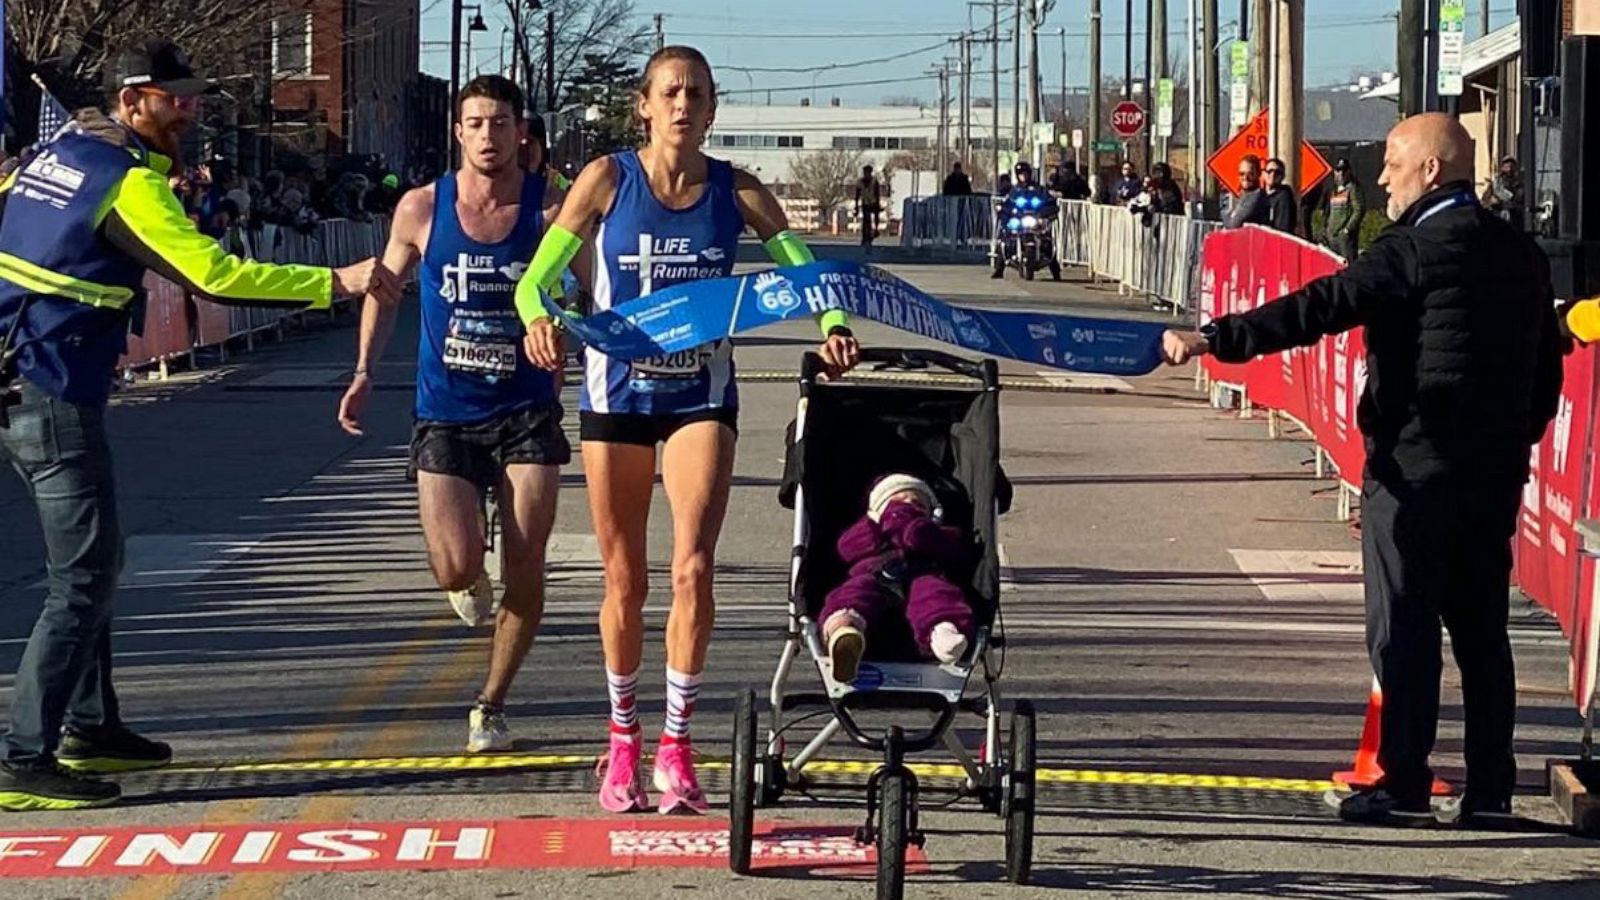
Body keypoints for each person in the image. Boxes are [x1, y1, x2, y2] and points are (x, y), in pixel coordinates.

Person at [0, 39, 398, 811]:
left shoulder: (51, 163)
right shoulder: (124, 185)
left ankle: (90, 727)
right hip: (53, 398)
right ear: (130, 102)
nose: (189, 111)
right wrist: (333, 282)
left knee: (96, 563)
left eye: (193, 97)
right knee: (80, 579)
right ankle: (25, 756)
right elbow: (214, 273)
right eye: (172, 99)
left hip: (27, 385)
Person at [1161, 113, 1563, 828]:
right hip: (1493, 472)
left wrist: (1216, 337)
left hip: (1413, 469)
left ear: (1432, 171)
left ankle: (1403, 781)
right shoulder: (1522, 255)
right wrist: (1513, 441)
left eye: (1395, 163)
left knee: (1403, 626)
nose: (1382, 178)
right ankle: (1491, 791)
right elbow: (1545, 373)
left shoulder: (1409, 250)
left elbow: (1320, 308)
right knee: (1481, 633)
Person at [511, 45, 861, 815]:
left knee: (693, 568)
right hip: (618, 398)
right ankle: (623, 740)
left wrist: (833, 323)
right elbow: (537, 277)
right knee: (624, 579)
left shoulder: (734, 191)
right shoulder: (608, 180)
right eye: (668, 92)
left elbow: (806, 270)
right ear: (644, 104)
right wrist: (539, 318)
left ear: (711, 109)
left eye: (695, 94)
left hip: (701, 396)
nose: (681, 105)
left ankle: (676, 742)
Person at [335, 76, 572, 755]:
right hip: (446, 409)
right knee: (455, 568)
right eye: (475, 123)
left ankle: (490, 704)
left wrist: (568, 330)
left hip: (526, 406)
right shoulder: (421, 207)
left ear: (519, 130)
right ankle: (466, 575)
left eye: (500, 122)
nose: (488, 135)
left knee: (527, 566)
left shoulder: (549, 210)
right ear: (458, 132)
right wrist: (362, 373)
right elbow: (385, 289)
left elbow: (590, 291)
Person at [821, 475, 975, 682]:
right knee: (855, 592)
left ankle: (944, 633)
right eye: (899, 500)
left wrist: (917, 529)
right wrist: (880, 525)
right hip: (875, 573)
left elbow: (956, 550)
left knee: (937, 594)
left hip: (922, 574)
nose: (909, 504)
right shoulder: (868, 528)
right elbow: (846, 549)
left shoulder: (937, 531)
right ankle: (845, 631)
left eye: (918, 502)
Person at [1322, 158, 1366, 259]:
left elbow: (1359, 210)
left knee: (1347, 265)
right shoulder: (1332, 190)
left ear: (1349, 172)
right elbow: (1327, 212)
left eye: (1344, 170)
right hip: (1331, 236)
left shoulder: (1353, 188)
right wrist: (1326, 229)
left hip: (1345, 238)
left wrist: (1347, 229)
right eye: (1338, 170)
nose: (1341, 173)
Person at [1225, 154, 1270, 228]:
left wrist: (1227, 215)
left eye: (1251, 174)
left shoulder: (1257, 197)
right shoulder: (1244, 196)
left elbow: (1233, 224)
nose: (1245, 177)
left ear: (1258, 174)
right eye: (1241, 174)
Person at [1482, 156, 1524, 230]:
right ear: (1502, 168)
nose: (1509, 169)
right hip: (1497, 215)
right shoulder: (1495, 183)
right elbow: (1485, 201)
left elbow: (1519, 199)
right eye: (1506, 166)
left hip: (1513, 217)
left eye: (1511, 166)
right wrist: (1490, 201)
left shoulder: (1519, 183)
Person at [1262, 157, 1297, 233]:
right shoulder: (1259, 196)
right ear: (1263, 174)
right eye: (1269, 171)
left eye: (1277, 172)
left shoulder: (1285, 197)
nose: (1273, 175)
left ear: (1283, 176)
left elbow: (1283, 229)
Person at [855, 164, 883, 250]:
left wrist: (878, 204)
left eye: (867, 172)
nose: (866, 174)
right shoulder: (860, 182)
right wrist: (856, 206)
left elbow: (877, 194)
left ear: (870, 173)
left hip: (873, 202)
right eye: (865, 172)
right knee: (866, 221)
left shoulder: (874, 181)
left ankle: (876, 230)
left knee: (875, 218)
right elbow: (857, 194)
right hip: (865, 203)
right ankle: (865, 238)